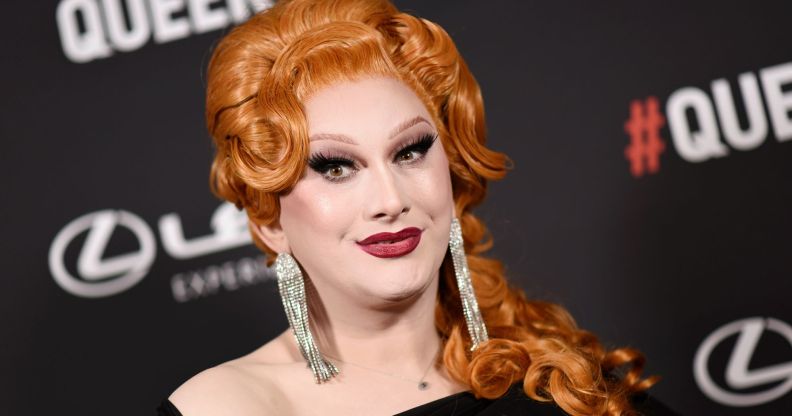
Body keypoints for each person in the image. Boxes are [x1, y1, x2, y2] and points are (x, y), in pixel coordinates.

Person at [160, 0, 677, 414]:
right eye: (335, 167)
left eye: (409, 152)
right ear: (269, 218)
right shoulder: (231, 406)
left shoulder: (555, 373)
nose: (391, 201)